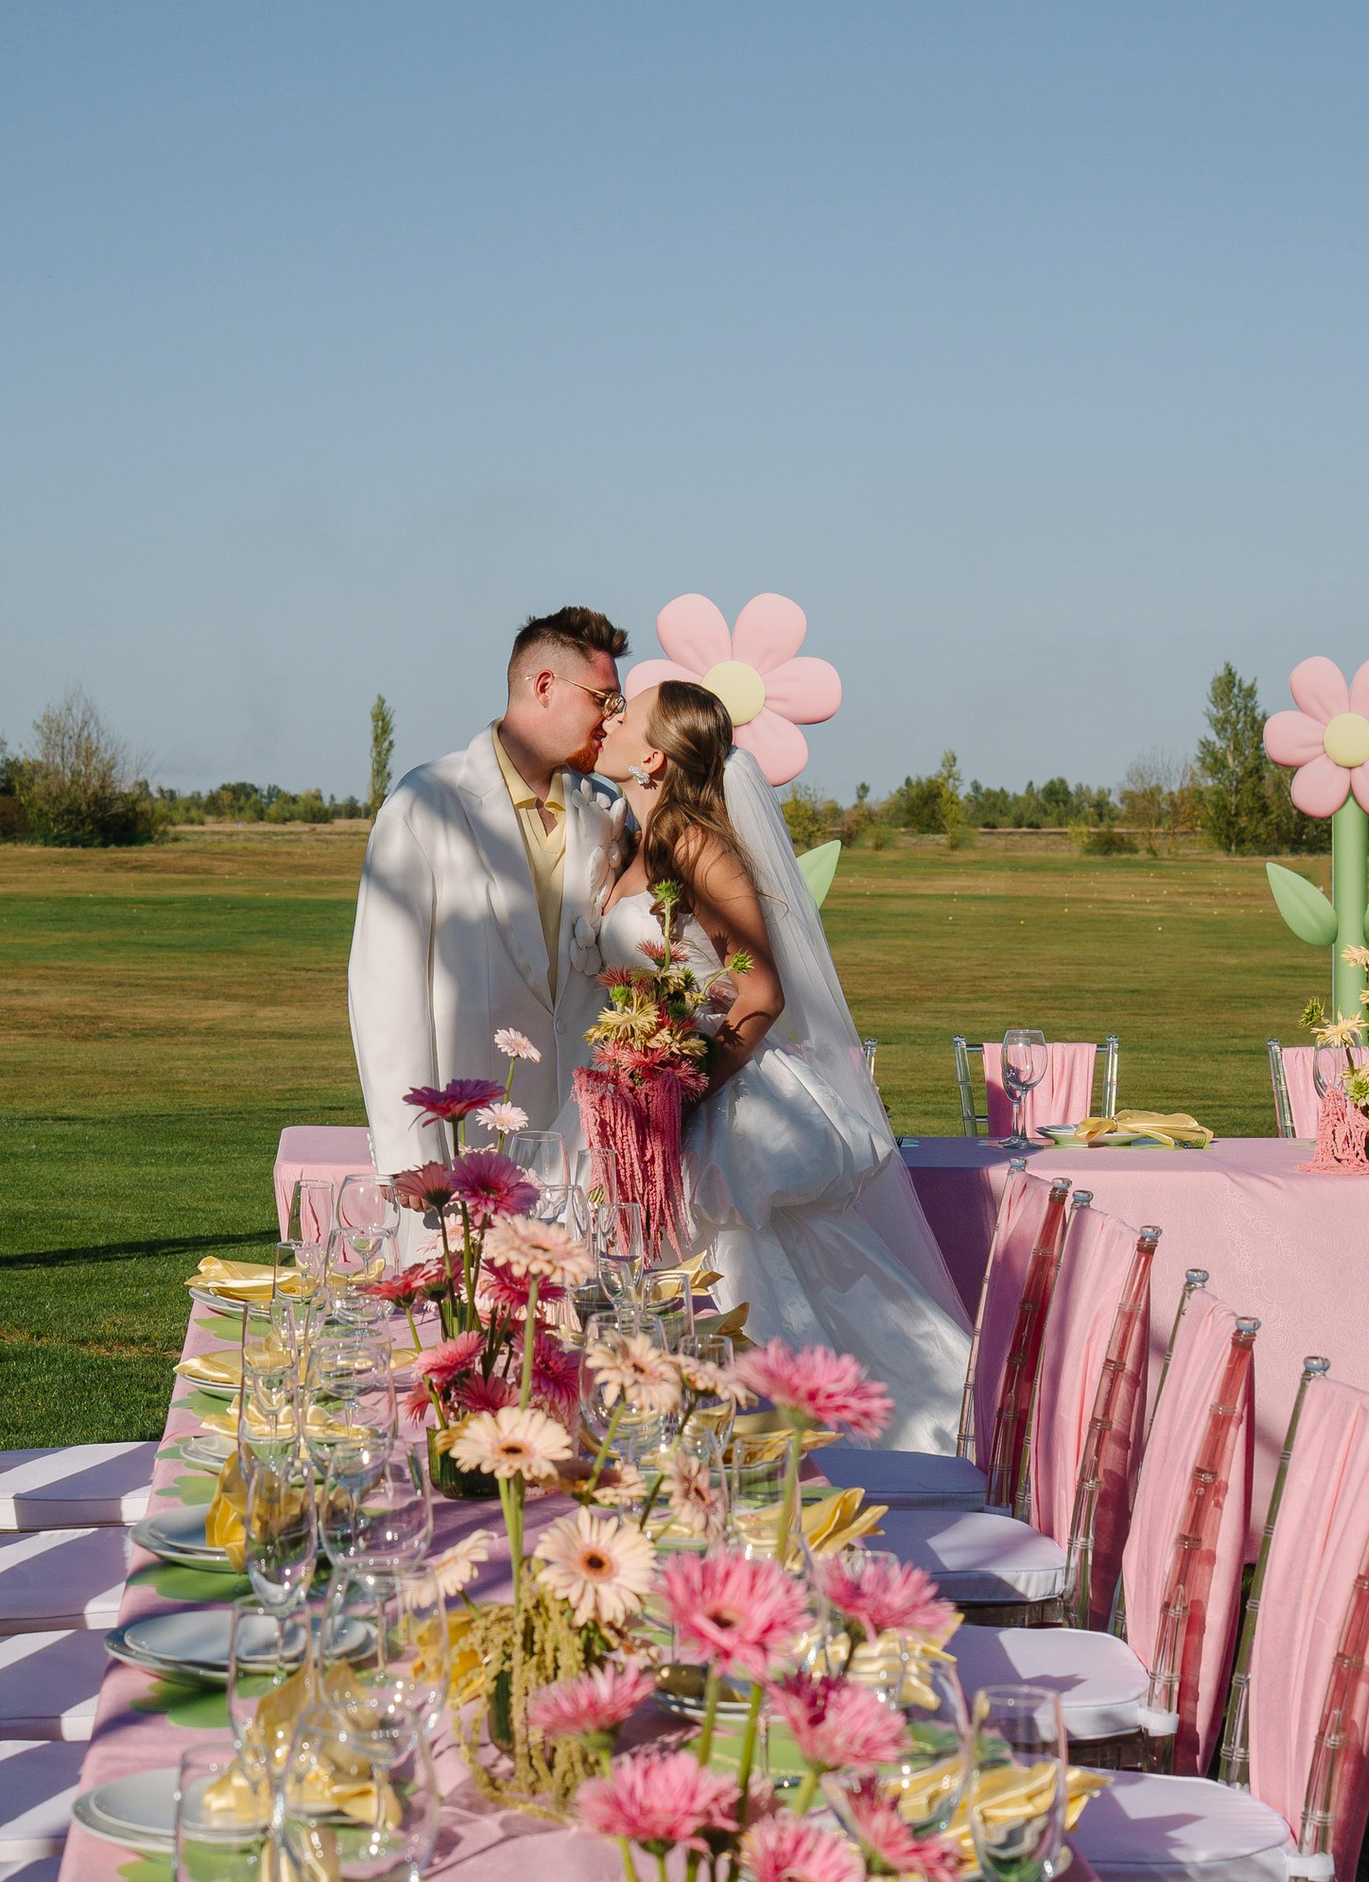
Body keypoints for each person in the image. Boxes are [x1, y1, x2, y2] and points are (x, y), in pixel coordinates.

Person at [593, 679, 972, 1446]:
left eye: (625, 714)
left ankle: (787, 1438)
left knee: (744, 1268)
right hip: (637, 1097)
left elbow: (760, 991)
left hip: (711, 1103)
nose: (609, 717)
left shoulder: (695, 844)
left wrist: (685, 1090)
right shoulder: (632, 842)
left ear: (657, 761)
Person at [347, 606, 632, 1180]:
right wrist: (411, 1157)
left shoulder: (606, 809)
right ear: (545, 686)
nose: (612, 718)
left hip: (586, 1145)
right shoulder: (426, 803)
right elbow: (386, 990)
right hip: (464, 1141)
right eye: (604, 699)